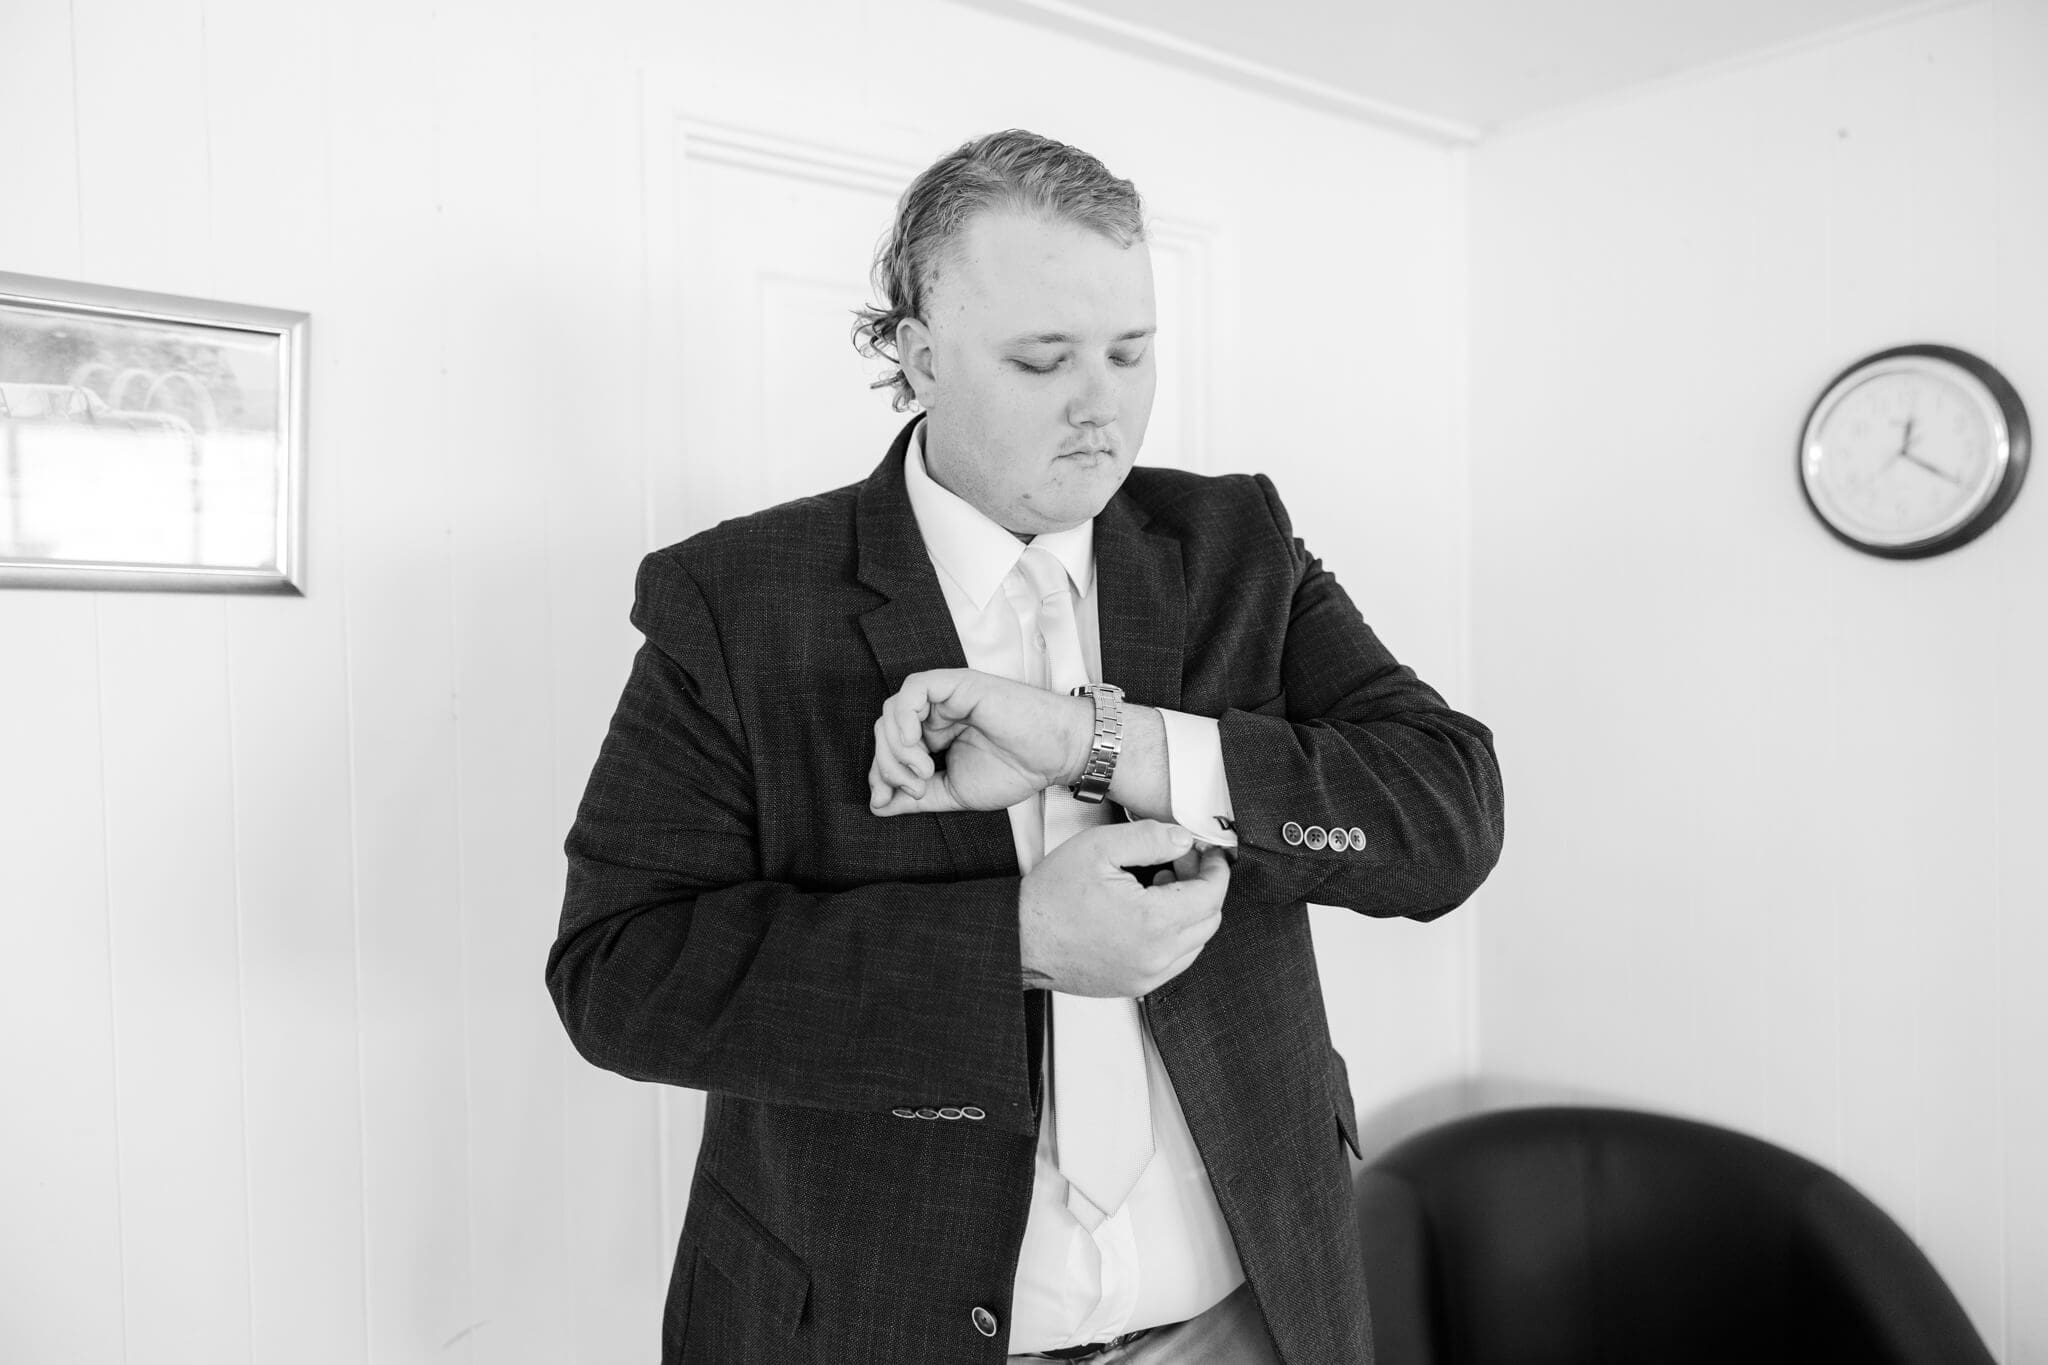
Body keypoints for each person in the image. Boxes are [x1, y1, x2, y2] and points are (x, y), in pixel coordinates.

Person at [546, 128, 1503, 1365]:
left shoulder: (1236, 547)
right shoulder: (734, 602)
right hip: (868, 1325)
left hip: (1249, 1322)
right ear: (913, 354)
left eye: (1129, 350)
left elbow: (1445, 819)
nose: (1101, 402)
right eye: (1042, 358)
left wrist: (1094, 740)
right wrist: (1010, 948)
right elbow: (620, 975)